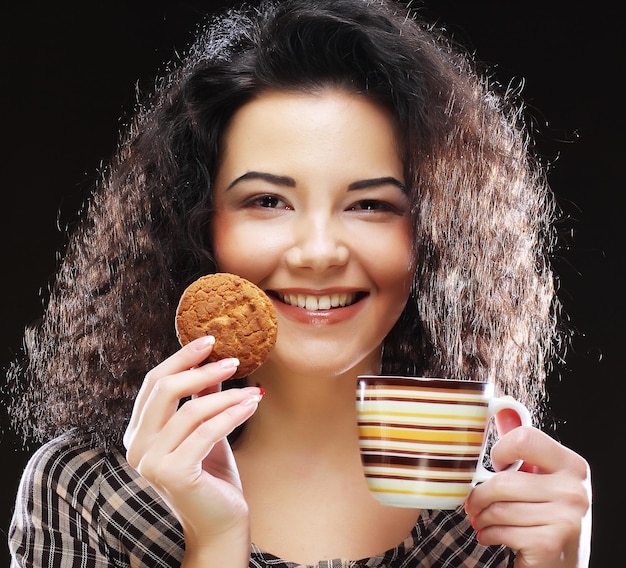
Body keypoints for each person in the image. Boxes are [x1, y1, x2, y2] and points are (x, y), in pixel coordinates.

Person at [6, 0, 592, 566]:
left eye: (369, 204)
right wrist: (213, 545)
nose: (318, 253)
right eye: (267, 200)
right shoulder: (84, 495)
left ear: (434, 233)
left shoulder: (509, 505)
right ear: (199, 224)